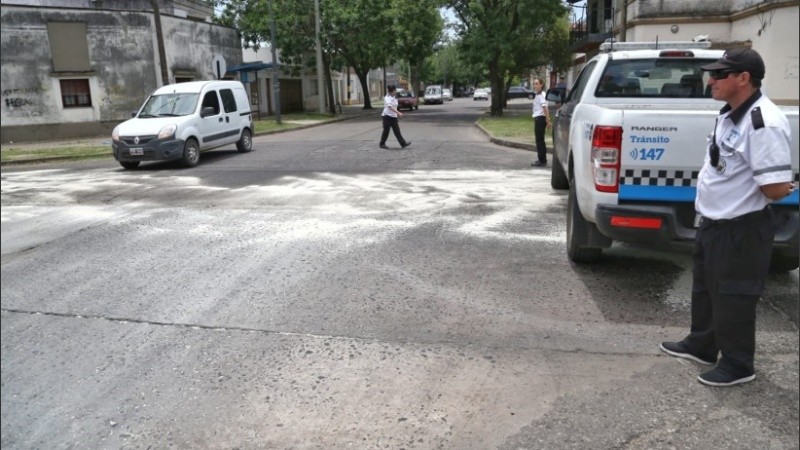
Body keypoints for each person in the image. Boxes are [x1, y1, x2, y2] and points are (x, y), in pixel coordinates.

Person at [660, 48, 795, 387]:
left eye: (720, 75)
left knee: (734, 295)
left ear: (743, 79)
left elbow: (775, 188)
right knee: (706, 288)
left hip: (742, 228)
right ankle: (702, 344)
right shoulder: (730, 113)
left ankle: (738, 364)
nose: (711, 80)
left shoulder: (763, 122)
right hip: (714, 223)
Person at [379, 84, 411, 149]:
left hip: (393, 116)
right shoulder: (387, 97)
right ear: (392, 91)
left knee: (397, 131)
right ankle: (382, 144)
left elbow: (394, 105)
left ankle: (403, 144)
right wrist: (398, 113)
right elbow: (390, 107)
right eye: (395, 90)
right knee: (386, 131)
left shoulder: (393, 96)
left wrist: (397, 112)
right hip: (386, 116)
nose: (396, 91)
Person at [530, 78, 551, 167]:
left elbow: (545, 108)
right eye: (534, 83)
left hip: (540, 119)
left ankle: (542, 160)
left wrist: (548, 120)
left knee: (540, 140)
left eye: (537, 83)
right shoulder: (538, 95)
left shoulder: (542, 95)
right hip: (538, 118)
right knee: (539, 140)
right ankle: (542, 159)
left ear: (541, 85)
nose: (535, 85)